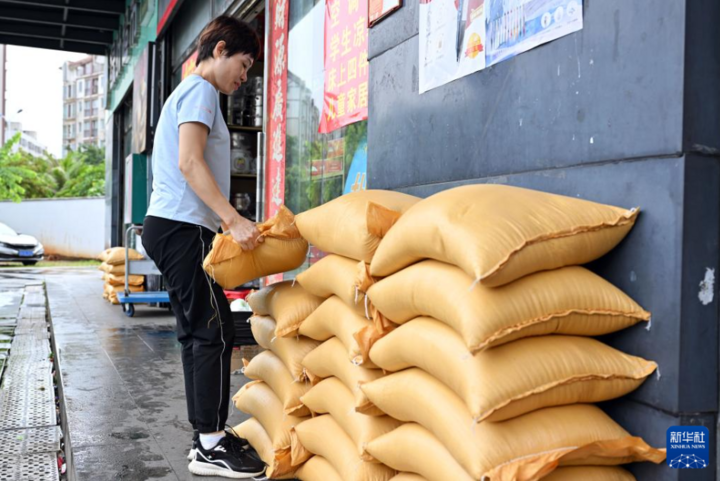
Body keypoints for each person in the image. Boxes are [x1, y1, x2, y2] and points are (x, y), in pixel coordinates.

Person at [141, 15, 266, 479]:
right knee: (213, 331)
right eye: (244, 62)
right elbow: (190, 162)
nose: (245, 75)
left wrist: (224, 222)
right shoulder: (200, 92)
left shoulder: (194, 93)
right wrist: (232, 221)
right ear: (218, 50)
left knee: (200, 331)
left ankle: (206, 439)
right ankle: (211, 444)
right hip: (179, 227)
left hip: (174, 226)